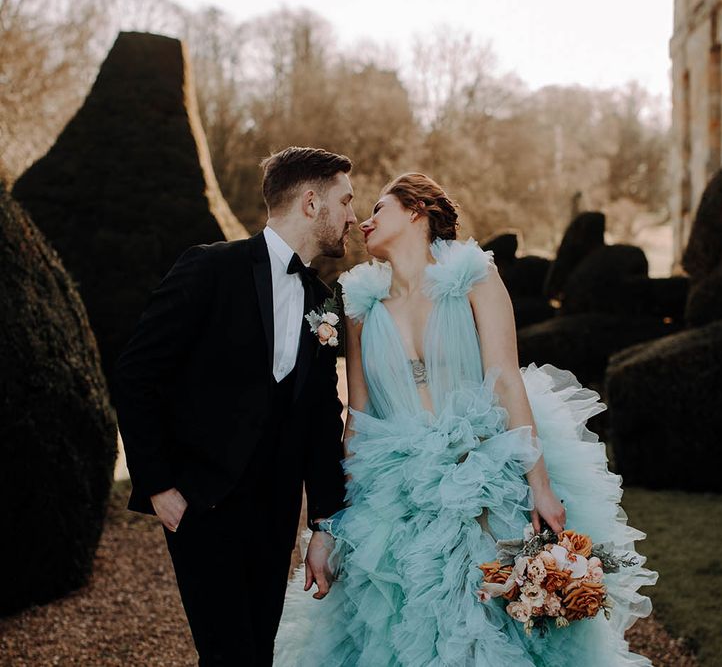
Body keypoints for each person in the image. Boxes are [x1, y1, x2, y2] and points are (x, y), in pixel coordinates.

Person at [274, 172, 657, 666]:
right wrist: (333, 525)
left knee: (485, 621)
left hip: (480, 476)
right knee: (398, 627)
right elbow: (358, 416)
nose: (363, 222)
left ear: (416, 210)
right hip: (396, 490)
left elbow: (506, 381)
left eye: (378, 208)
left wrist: (538, 485)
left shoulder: (473, 276)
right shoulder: (360, 303)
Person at [114, 146, 357, 665]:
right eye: (346, 201)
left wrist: (324, 527)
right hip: (202, 510)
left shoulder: (324, 303)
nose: (353, 217)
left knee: (257, 655)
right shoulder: (208, 268)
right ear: (311, 203)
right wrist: (159, 486)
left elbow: (320, 420)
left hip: (274, 521)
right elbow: (136, 374)